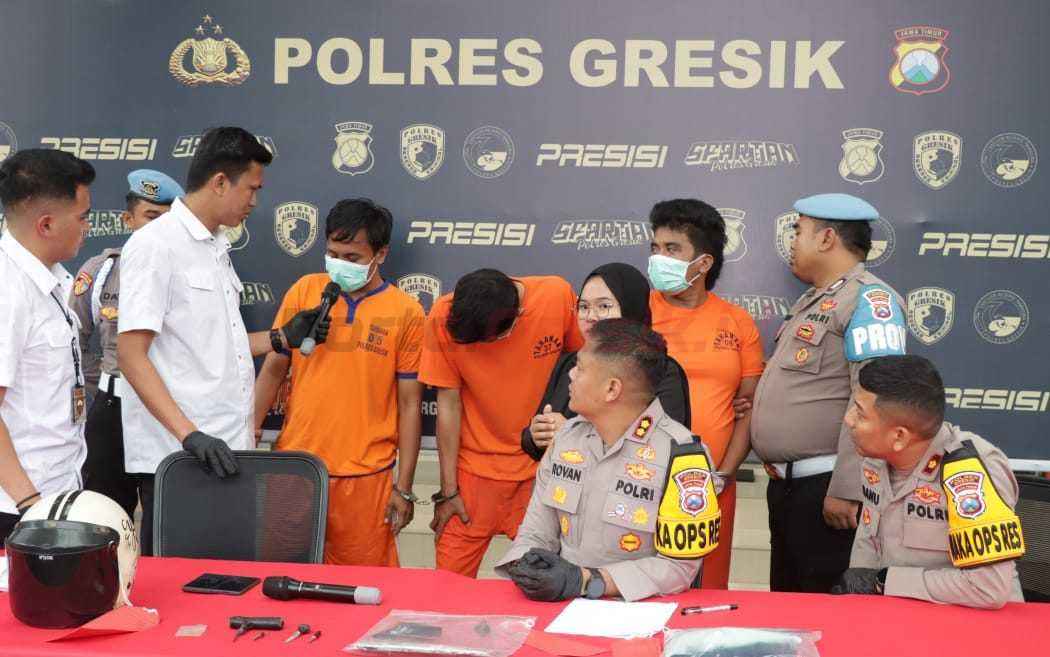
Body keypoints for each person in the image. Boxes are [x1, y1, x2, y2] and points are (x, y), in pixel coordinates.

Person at [117, 127, 329, 555]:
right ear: (219, 182)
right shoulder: (155, 245)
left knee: (226, 583)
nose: (255, 201)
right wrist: (189, 435)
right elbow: (130, 354)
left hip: (230, 448)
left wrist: (280, 337)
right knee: (181, 590)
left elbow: (214, 345)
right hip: (182, 459)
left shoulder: (215, 246)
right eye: (251, 188)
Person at [749, 193, 906, 593]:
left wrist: (848, 487)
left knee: (827, 617)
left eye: (797, 231)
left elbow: (878, 399)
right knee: (790, 612)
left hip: (827, 492)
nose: (791, 241)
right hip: (787, 491)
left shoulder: (870, 299)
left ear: (827, 238)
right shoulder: (813, 300)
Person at [254, 198, 424, 566]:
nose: (339, 265)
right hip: (296, 464)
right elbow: (273, 368)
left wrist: (405, 487)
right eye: (332, 253)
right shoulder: (305, 290)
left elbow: (410, 404)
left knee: (360, 590)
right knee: (278, 573)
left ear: (380, 254)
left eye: (351, 257)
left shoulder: (406, 312)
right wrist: (249, 434)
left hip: (365, 477)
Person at [496, 319, 718, 602]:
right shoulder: (565, 438)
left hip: (639, 615)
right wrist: (525, 566)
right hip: (560, 603)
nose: (571, 375)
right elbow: (536, 533)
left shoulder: (683, 457)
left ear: (612, 389)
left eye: (581, 368)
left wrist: (586, 581)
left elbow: (678, 568)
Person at [420, 268, 583, 577]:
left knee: (543, 584)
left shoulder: (555, 296)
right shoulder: (443, 315)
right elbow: (448, 404)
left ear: (518, 317)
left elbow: (582, 368)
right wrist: (448, 491)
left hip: (539, 473)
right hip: (471, 481)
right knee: (446, 587)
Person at [832, 355, 1024, 609]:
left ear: (899, 436)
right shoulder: (875, 458)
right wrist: (858, 594)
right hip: (897, 613)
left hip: (974, 624)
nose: (848, 419)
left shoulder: (970, 471)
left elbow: (988, 587)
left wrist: (883, 581)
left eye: (860, 413)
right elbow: (869, 537)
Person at [647, 199, 765, 589]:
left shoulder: (737, 320)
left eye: (671, 249)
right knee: (640, 587)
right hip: (639, 479)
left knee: (707, 590)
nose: (658, 258)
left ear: (703, 262)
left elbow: (748, 409)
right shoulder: (636, 313)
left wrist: (725, 474)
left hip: (711, 484)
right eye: (655, 248)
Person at [71, 169, 184, 519]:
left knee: (163, 519)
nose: (159, 228)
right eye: (150, 217)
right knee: (102, 518)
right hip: (112, 408)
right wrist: (101, 389)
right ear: (128, 219)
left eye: (168, 219)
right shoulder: (100, 270)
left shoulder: (189, 272)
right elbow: (73, 347)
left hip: (164, 411)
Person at [0, 148, 95, 540]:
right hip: (16, 511)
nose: (88, 226)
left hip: (54, 497)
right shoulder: (8, 289)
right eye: (83, 217)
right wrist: (30, 506)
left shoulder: (49, 278)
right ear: (45, 224)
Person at [522, 262, 690, 461]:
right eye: (583, 307)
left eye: (603, 306)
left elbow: (660, 450)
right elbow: (534, 443)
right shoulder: (569, 364)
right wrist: (536, 435)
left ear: (631, 308)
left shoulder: (660, 370)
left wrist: (571, 436)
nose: (591, 316)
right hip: (566, 488)